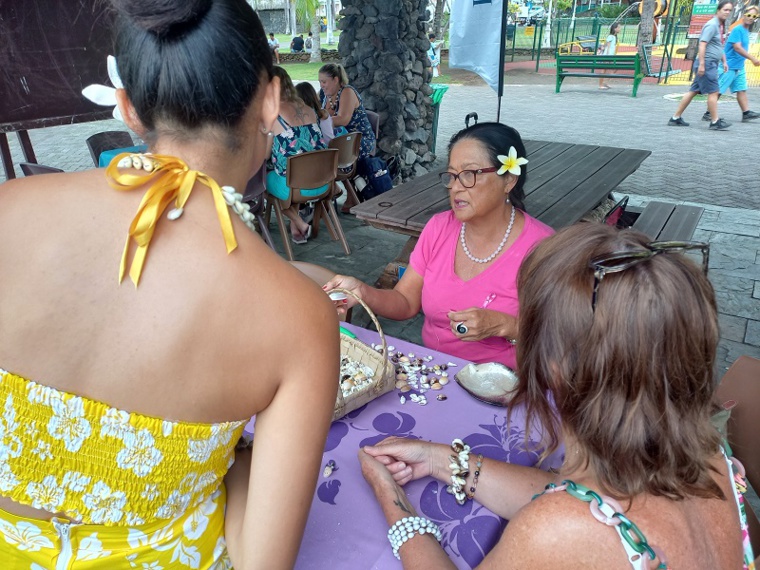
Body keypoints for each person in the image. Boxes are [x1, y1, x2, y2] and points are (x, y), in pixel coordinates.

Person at [0, 1, 338, 568]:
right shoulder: (301, 317)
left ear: (128, 107)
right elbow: (263, 560)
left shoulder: (9, 210)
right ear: (272, 100)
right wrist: (229, 459)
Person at [357, 223, 755, 568]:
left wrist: (395, 505)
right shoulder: (711, 458)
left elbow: (570, 519)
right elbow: (583, 502)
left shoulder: (556, 531)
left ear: (555, 367)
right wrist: (439, 459)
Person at [325, 123, 553, 369]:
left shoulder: (543, 249)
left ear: (508, 179)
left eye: (469, 174)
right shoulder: (439, 228)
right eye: (452, 175)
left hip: (507, 385)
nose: (455, 187)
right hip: (436, 374)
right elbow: (406, 301)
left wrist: (505, 325)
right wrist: (362, 292)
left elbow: (563, 339)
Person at [267, 67, 328, 244]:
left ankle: (298, 222)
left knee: (267, 180)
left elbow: (264, 155)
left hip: (297, 188)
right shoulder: (309, 108)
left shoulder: (274, 113)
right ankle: (296, 225)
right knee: (289, 172)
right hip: (323, 183)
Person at [318, 63, 377, 212]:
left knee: (330, 154)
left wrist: (318, 121)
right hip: (340, 139)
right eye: (320, 82)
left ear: (336, 79)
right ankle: (335, 190)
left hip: (358, 140)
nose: (321, 85)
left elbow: (343, 119)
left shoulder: (347, 92)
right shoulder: (325, 95)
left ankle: (334, 191)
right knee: (317, 149)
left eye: (324, 81)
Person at [669, 0, 732, 130]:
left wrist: (724, 61)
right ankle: (715, 121)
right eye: (725, 9)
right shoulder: (712, 25)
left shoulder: (720, 26)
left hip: (710, 63)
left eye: (730, 10)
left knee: (693, 91)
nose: (728, 12)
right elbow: (702, 44)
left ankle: (675, 118)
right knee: (714, 92)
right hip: (707, 64)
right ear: (718, 10)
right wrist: (702, 64)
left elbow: (719, 46)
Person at [702, 5, 760, 123]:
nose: (751, 18)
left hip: (739, 66)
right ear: (744, 14)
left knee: (741, 89)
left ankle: (746, 112)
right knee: (718, 91)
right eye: (749, 15)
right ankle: (708, 113)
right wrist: (753, 59)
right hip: (729, 66)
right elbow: (737, 47)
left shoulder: (745, 30)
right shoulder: (737, 29)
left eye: (754, 16)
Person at [598, 23, 620, 90]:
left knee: (615, 68)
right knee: (604, 70)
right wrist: (607, 56)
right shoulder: (611, 36)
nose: (620, 29)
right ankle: (601, 84)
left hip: (611, 56)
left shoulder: (614, 37)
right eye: (618, 27)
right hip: (608, 56)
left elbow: (605, 45)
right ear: (614, 29)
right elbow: (608, 47)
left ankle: (605, 82)